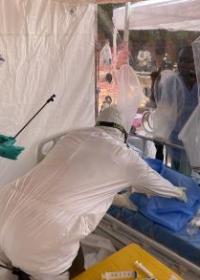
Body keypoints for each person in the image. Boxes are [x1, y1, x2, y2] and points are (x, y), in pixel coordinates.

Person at [0, 103, 187, 280]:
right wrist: (178, 192)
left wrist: (117, 199)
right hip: (47, 231)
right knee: (43, 265)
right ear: (123, 131)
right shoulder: (125, 156)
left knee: (14, 261)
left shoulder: (72, 137)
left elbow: (76, 182)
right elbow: (156, 184)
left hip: (6, 206)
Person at [153, 45, 198, 174]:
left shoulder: (198, 86)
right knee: (178, 179)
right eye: (181, 60)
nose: (183, 64)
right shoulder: (172, 82)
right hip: (175, 143)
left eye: (188, 61)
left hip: (195, 143)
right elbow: (163, 115)